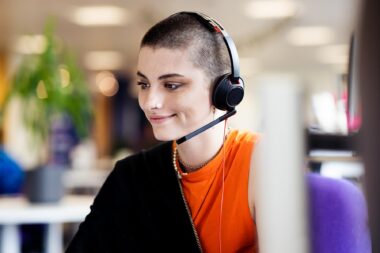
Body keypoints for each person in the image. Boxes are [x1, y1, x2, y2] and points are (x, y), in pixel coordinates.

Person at [66, 12, 259, 253]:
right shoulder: (131, 176)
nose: (150, 102)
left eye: (172, 85)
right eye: (144, 85)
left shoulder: (260, 163)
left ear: (225, 91)